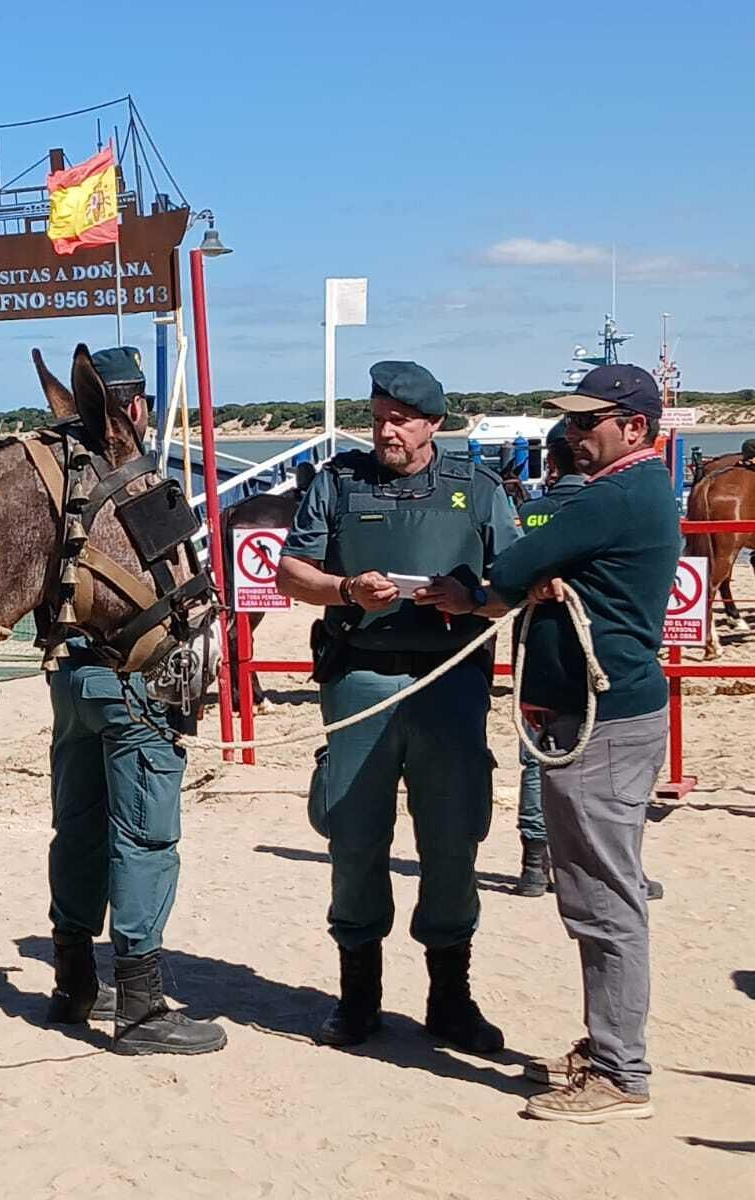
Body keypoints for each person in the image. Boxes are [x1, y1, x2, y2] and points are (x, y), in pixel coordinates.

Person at [278, 361, 519, 1053]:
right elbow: (291, 572)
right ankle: (358, 1000)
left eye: (401, 417)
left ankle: (451, 1000)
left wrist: (470, 598)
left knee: (451, 840)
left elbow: (517, 581)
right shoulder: (338, 482)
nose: (387, 428)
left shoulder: (477, 490)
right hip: (360, 680)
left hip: (450, 683)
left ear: (434, 425)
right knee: (355, 839)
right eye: (379, 414)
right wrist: (346, 589)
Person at [487, 364, 680, 1123]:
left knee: (604, 899)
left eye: (586, 422)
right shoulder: (637, 493)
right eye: (570, 422)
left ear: (633, 427)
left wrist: (531, 576)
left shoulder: (616, 496)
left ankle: (619, 1072)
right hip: (607, 716)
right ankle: (610, 1049)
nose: (572, 434)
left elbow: (509, 567)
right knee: (602, 892)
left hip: (603, 723)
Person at [44, 346, 227, 1057]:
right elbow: (187, 603)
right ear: (135, 408)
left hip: (73, 680)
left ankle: (74, 983)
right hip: (132, 679)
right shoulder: (140, 485)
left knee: (79, 830)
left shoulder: (65, 486)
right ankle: (142, 1005)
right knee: (145, 836)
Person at [509, 421, 585, 897]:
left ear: (551, 462)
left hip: (534, 653)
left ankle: (534, 866)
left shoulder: (532, 512)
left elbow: (508, 570)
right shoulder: (607, 507)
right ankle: (594, 865)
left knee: (536, 760)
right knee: (602, 767)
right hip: (589, 654)